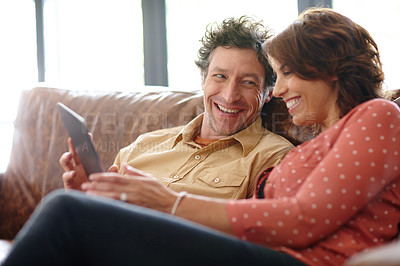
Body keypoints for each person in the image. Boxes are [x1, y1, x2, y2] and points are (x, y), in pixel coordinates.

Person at [3, 7, 400, 266]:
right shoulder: (321, 142)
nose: (279, 91)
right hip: (264, 254)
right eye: (220, 77)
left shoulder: (379, 116)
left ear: (328, 69)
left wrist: (170, 202)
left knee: (66, 212)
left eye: (285, 76)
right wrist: (123, 191)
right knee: (71, 209)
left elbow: (302, 219)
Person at [59, 16, 293, 200]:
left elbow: (255, 237)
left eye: (248, 82)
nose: (230, 96)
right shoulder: (143, 146)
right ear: (203, 78)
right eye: (219, 76)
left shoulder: (274, 157)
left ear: (268, 93)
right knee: (63, 205)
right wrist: (83, 195)